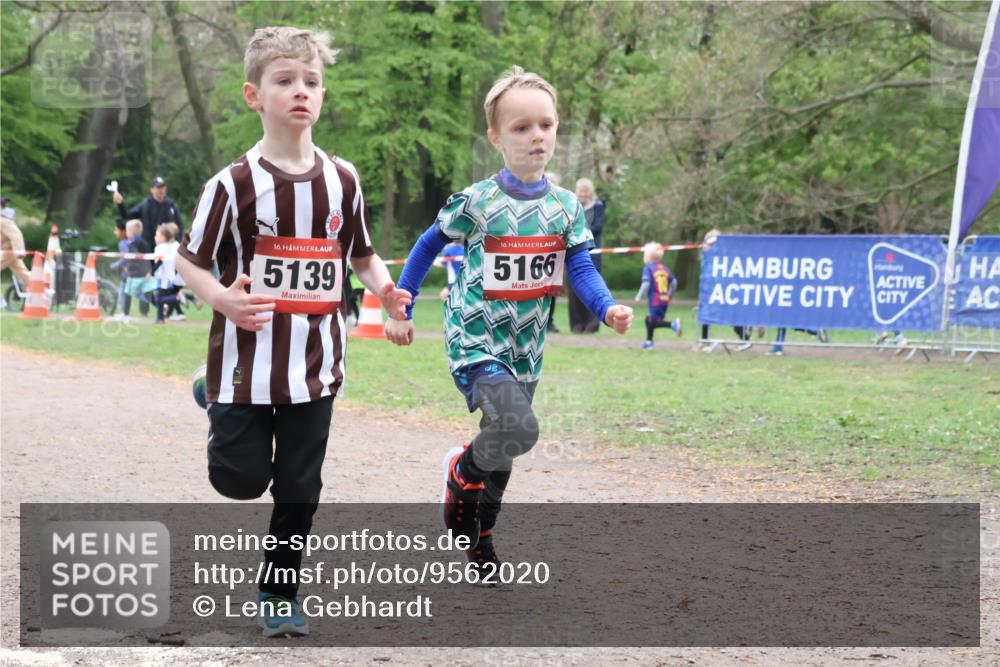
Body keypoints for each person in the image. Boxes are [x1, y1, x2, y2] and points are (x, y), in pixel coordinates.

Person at [175, 26, 410, 638]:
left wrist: (387, 294)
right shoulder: (231, 184)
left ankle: (279, 592)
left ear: (323, 96)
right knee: (240, 480)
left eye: (311, 81)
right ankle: (210, 394)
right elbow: (188, 261)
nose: (300, 91)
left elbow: (361, 255)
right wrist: (224, 299)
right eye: (285, 80)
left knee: (300, 485)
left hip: (317, 363)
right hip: (244, 362)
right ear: (255, 95)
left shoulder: (344, 180)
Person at [386, 65, 633, 584]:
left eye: (545, 124)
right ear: (496, 138)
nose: (536, 135)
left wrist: (606, 307)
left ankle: (481, 542)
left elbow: (581, 268)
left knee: (505, 447)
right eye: (521, 127)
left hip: (527, 348)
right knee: (518, 429)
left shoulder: (567, 208)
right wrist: (402, 306)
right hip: (475, 340)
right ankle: (460, 474)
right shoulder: (478, 202)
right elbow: (429, 243)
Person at [113, 176, 184, 255]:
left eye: (163, 187)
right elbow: (127, 215)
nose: (161, 189)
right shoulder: (146, 204)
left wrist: (178, 242)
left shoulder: (171, 205)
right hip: (148, 247)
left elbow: (179, 226)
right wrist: (120, 204)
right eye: (158, 187)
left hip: (168, 247)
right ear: (152, 189)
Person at [635, 242, 681, 349]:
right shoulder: (665, 268)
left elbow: (646, 283)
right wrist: (670, 295)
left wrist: (639, 296)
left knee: (652, 321)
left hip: (655, 300)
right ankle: (649, 342)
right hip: (664, 300)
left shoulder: (648, 268)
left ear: (647, 257)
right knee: (649, 320)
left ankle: (673, 324)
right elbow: (674, 282)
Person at [120, 219, 156, 321]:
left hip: (134, 274)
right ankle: (145, 312)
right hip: (145, 273)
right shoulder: (145, 243)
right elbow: (149, 258)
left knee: (127, 293)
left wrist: (128, 266)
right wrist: (150, 271)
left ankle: (125, 314)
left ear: (130, 232)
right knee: (145, 292)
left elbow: (133, 257)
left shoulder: (132, 244)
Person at [151, 222, 184, 323]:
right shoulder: (176, 246)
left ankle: (178, 299)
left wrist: (151, 272)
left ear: (163, 237)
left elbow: (159, 262)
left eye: (157, 235)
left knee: (159, 299)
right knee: (160, 298)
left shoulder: (159, 248)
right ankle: (160, 318)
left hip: (163, 278)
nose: (155, 237)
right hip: (172, 277)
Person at [1, 214, 32, 308]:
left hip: (9, 252)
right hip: (8, 253)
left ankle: (1, 301)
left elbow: (16, 235)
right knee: (23, 273)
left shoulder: (3, 221)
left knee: (22, 272)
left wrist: (19, 251)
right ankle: (40, 291)